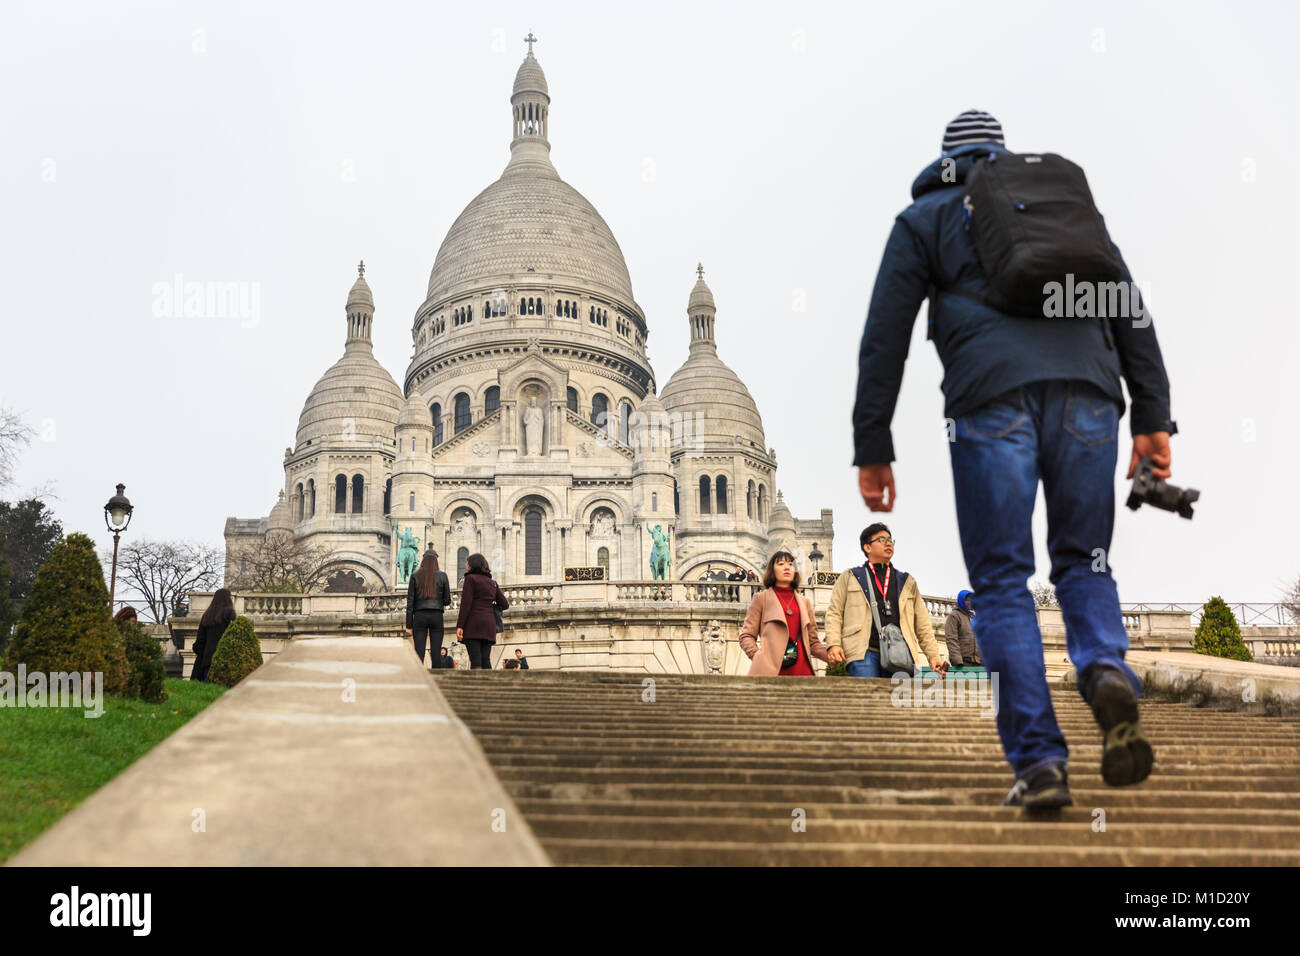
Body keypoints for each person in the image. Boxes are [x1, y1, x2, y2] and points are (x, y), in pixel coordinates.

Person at [852, 110, 1169, 808]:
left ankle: (1040, 764)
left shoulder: (925, 219)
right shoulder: (1060, 208)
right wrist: (1153, 416)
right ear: (1002, 151)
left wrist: (872, 443)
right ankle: (1105, 669)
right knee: (1086, 560)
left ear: (945, 160)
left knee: (1000, 581)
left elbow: (885, 336)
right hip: (1090, 394)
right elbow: (1128, 303)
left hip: (990, 401)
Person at [824, 524, 947, 678]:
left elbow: (923, 624)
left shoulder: (907, 582)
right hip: (863, 653)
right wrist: (834, 644)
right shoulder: (850, 577)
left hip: (901, 652)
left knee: (899, 700)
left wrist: (934, 655)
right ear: (867, 547)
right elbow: (834, 613)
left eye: (890, 540)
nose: (888, 543)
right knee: (869, 699)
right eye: (881, 540)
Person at [738, 551, 829, 676]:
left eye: (790, 564)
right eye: (781, 564)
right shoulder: (761, 599)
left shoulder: (805, 602)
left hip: (803, 672)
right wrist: (758, 656)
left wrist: (831, 656)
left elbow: (813, 642)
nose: (787, 567)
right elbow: (746, 636)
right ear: (772, 570)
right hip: (771, 673)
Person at [456, 552, 509, 670]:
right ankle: (490, 687)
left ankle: (477, 687)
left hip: (473, 624)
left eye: (467, 563)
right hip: (489, 625)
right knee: (486, 660)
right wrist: (490, 605)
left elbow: (466, 604)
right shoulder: (492, 582)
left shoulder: (470, 579)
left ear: (472, 565)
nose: (466, 566)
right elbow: (505, 604)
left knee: (475, 661)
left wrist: (460, 626)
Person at [406, 548, 451, 667]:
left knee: (418, 651)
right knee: (436, 652)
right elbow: (447, 601)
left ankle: (418, 679)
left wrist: (408, 626)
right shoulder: (442, 576)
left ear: (423, 561)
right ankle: (436, 679)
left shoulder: (415, 575)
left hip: (419, 616)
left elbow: (410, 603)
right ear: (436, 561)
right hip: (437, 616)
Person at [190, 588, 235, 682]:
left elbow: (199, 642)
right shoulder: (229, 613)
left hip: (207, 661)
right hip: (225, 660)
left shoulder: (207, 615)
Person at [945, 590, 981, 667]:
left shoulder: (975, 616)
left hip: (979, 663)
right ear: (961, 600)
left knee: (995, 677)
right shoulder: (954, 616)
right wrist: (957, 661)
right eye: (967, 600)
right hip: (963, 663)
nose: (970, 602)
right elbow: (951, 639)